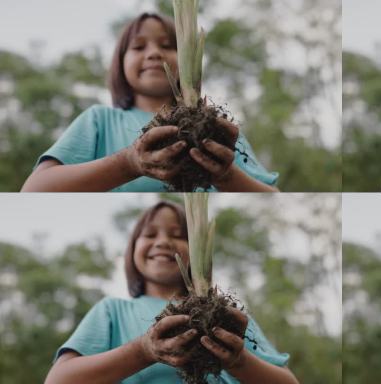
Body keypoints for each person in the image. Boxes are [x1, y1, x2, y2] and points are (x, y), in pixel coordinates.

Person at [45, 201, 298, 384]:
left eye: (179, 235)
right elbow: (59, 379)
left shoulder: (230, 319)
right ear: (132, 250)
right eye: (150, 234)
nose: (163, 242)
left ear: (199, 248)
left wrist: (239, 360)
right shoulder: (113, 312)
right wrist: (143, 350)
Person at [22, 13, 278, 192]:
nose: (154, 53)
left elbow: (270, 198)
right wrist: (129, 163)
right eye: (138, 47)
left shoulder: (220, 131)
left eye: (168, 45)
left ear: (190, 58)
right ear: (119, 64)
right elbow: (35, 190)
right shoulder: (100, 121)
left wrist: (227, 176)